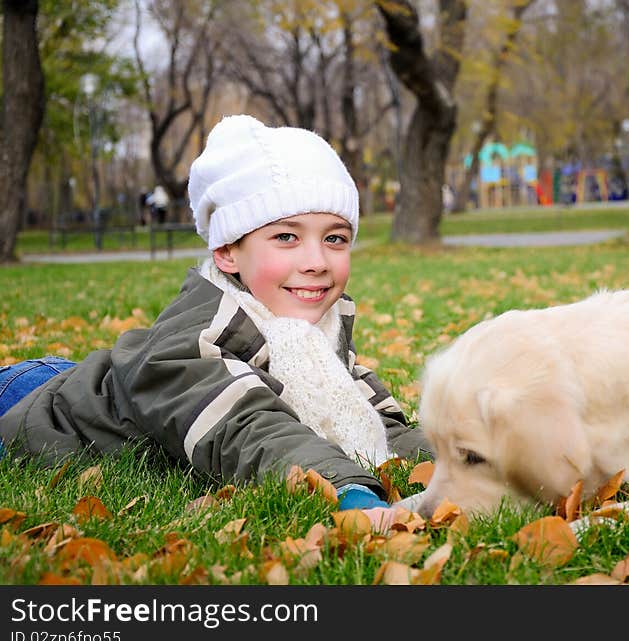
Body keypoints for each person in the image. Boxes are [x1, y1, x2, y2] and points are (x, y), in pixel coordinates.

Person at [0, 114, 433, 511]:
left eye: (335, 239)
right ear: (227, 251)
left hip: (81, 376)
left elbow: (378, 424)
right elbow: (247, 429)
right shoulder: (191, 343)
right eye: (287, 237)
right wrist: (347, 489)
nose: (317, 260)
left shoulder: (318, 331)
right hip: (31, 403)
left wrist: (465, 457)